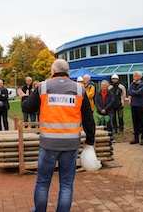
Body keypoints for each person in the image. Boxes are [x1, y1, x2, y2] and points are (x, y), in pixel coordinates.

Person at [18, 59, 95, 212]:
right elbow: (88, 118)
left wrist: (23, 96)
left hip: (48, 144)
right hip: (71, 145)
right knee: (66, 184)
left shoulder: (44, 87)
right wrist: (90, 141)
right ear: (68, 72)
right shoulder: (80, 90)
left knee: (42, 182)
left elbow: (28, 108)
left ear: (53, 72)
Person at [127, 71, 143, 145]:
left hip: (140, 105)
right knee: (135, 122)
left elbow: (140, 92)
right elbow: (129, 92)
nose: (134, 77)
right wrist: (135, 91)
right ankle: (136, 137)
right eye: (133, 76)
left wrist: (133, 92)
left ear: (139, 77)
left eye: (135, 76)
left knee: (141, 122)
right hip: (133, 105)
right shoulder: (132, 84)